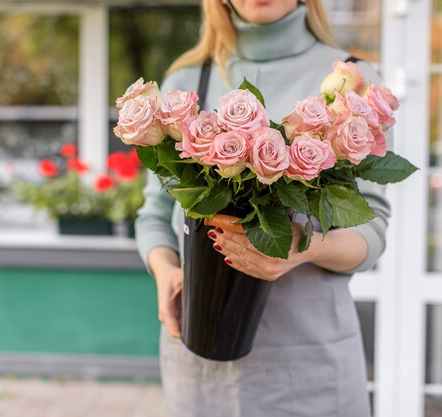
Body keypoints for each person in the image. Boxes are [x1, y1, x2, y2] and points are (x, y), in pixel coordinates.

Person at [135, 1, 390, 416]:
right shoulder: (185, 81)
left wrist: (308, 248)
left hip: (310, 363)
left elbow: (372, 227)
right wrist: (165, 270)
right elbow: (154, 212)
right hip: (199, 362)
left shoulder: (352, 87)